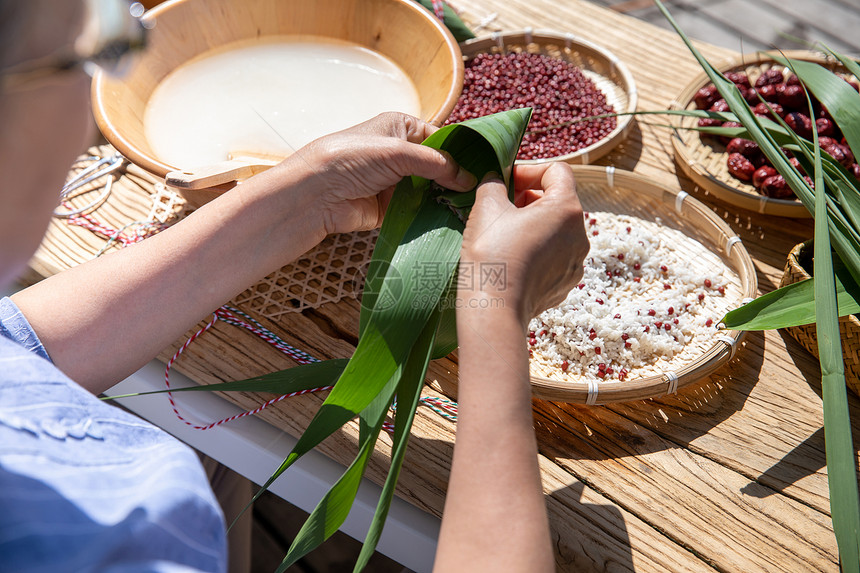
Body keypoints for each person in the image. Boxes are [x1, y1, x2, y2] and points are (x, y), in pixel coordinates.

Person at [0, 0, 588, 571]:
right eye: (102, 45)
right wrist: (495, 305)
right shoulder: (93, 534)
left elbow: (17, 352)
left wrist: (307, 195)